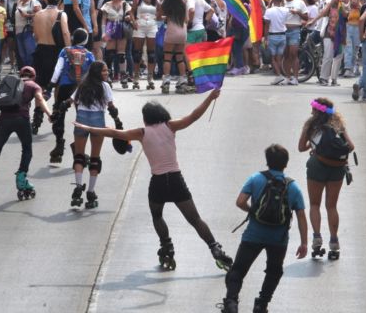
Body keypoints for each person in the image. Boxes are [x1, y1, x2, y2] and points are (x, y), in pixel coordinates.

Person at [72, 88, 234, 271]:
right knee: (195, 219)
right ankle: (215, 248)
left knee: (157, 215)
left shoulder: (141, 132)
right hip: (176, 180)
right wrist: (210, 98)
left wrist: (88, 128)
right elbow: (194, 116)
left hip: (157, 182)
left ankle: (166, 245)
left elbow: (116, 134)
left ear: (146, 118)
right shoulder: (170, 126)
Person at [212, 144, 308, 313]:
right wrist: (304, 242)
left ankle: (231, 304)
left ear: (267, 162)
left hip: (253, 236)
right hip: (279, 240)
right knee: (273, 272)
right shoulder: (293, 187)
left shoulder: (256, 178)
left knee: (237, 271)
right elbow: (301, 216)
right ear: (286, 164)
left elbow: (240, 202)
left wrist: (253, 212)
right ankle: (261, 307)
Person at [0, 66, 53, 200]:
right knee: (27, 150)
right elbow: (39, 98)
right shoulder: (33, 85)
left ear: (20, 75)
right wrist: (49, 114)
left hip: (4, 121)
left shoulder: (9, 84)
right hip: (22, 121)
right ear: (34, 76)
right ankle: (21, 177)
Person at [298, 97, 354, 259]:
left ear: (316, 111)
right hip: (337, 168)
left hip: (317, 166)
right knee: (332, 206)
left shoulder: (310, 125)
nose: (311, 112)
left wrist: (314, 145)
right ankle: (334, 242)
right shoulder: (338, 124)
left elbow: (301, 147)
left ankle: (317, 238)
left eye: (313, 109)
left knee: (315, 204)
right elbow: (351, 146)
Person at [56, 61, 115, 209]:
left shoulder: (82, 85)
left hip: (81, 119)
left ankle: (77, 188)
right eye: (104, 71)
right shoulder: (105, 86)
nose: (107, 73)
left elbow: (69, 101)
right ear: (97, 72)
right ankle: (90, 191)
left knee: (79, 157)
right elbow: (111, 107)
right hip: (97, 121)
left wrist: (59, 110)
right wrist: (117, 120)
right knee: (95, 158)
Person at [48, 28, 96, 163]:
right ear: (85, 40)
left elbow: (58, 69)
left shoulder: (65, 51)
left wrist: (51, 84)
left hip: (65, 87)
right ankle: (78, 148)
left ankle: (59, 144)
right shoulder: (89, 54)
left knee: (59, 114)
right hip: (81, 89)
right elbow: (93, 73)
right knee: (81, 117)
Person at [31, 0, 70, 134]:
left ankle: (37, 118)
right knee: (58, 84)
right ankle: (56, 114)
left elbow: (35, 35)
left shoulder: (38, 14)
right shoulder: (61, 14)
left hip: (41, 50)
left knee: (40, 86)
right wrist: (69, 50)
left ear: (47, 0)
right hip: (56, 52)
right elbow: (65, 33)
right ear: (59, 1)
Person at [156, 0, 190, 94]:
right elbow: (187, 19)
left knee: (167, 57)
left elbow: (158, 17)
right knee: (180, 57)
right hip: (182, 32)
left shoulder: (165, 4)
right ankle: (183, 80)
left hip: (171, 31)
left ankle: (166, 81)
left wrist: (166, 18)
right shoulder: (183, 3)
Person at [100, 0, 133, 87]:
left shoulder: (125, 5)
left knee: (121, 54)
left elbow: (131, 15)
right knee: (109, 53)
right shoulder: (106, 5)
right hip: (110, 27)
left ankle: (123, 75)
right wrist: (103, 32)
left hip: (122, 27)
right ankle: (108, 75)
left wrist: (128, 18)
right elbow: (103, 20)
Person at [131, 0, 160, 90]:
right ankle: (136, 76)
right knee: (137, 53)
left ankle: (150, 77)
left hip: (152, 26)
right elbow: (132, 12)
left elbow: (159, 13)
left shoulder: (156, 0)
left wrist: (158, 17)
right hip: (140, 26)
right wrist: (133, 21)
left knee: (151, 53)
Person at [281, 0, 308, 85]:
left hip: (295, 30)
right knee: (286, 54)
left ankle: (295, 78)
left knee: (293, 54)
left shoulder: (299, 2)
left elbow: (306, 17)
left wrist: (298, 12)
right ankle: (288, 77)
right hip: (283, 30)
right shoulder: (282, 2)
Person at [262, 0, 292, 84]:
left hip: (272, 36)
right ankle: (281, 76)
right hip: (282, 35)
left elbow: (266, 25)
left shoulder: (269, 11)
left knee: (273, 58)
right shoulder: (285, 10)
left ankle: (279, 76)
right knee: (279, 58)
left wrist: (265, 38)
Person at [14, 0, 42, 68]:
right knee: (22, 54)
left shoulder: (33, 2)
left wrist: (27, 15)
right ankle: (26, 71)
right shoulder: (19, 2)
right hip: (19, 31)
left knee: (30, 53)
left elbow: (40, 14)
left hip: (29, 31)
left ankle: (32, 71)